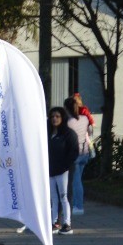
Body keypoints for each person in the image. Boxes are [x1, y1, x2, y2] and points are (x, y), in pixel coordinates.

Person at [49, 105, 79, 234]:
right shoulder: (49, 133)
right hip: (50, 171)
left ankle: (67, 223)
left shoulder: (69, 134)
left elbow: (73, 152)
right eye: (52, 116)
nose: (55, 119)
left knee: (64, 197)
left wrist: (65, 166)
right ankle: (54, 222)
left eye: (57, 116)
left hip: (63, 171)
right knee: (53, 198)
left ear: (62, 118)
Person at [64, 93, 96, 214]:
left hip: (74, 154)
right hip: (85, 152)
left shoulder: (68, 122)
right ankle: (76, 204)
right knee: (78, 180)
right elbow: (90, 131)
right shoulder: (85, 119)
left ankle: (78, 206)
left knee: (75, 181)